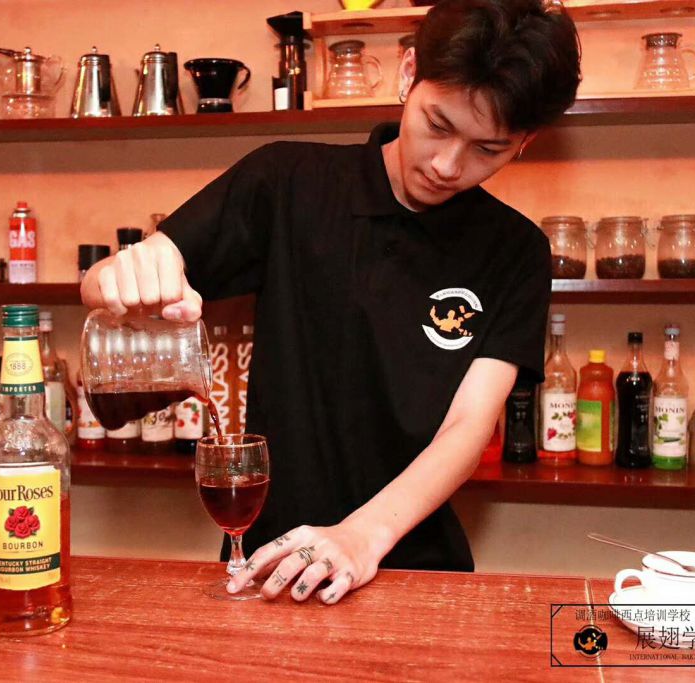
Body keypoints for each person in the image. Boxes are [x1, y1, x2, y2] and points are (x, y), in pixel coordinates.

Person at [81, 0, 581, 605]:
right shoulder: (288, 182)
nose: (448, 165)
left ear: (524, 142)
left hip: (415, 569)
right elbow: (107, 283)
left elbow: (467, 428)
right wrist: (120, 276)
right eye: (438, 124)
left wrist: (362, 536)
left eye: (488, 149)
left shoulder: (515, 250)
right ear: (408, 74)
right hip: (270, 560)